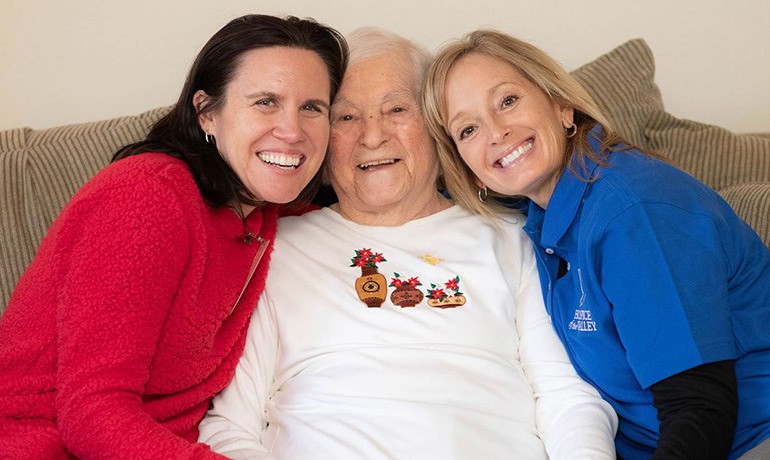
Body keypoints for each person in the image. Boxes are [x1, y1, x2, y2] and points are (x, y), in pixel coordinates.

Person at [197, 27, 617, 459]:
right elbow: (230, 426)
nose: (372, 135)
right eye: (345, 117)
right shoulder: (275, 248)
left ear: (439, 130)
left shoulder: (512, 237)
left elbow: (566, 397)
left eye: (396, 108)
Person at [0, 14, 347, 459]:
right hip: (36, 443)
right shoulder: (147, 196)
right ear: (207, 112)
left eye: (312, 108)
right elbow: (91, 411)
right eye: (265, 102)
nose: (293, 130)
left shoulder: (264, 209)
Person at [421, 29, 770, 460]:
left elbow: (700, 411)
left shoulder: (632, 214)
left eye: (508, 101)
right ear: (468, 167)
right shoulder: (542, 213)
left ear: (561, 105)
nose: (496, 133)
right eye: (468, 129)